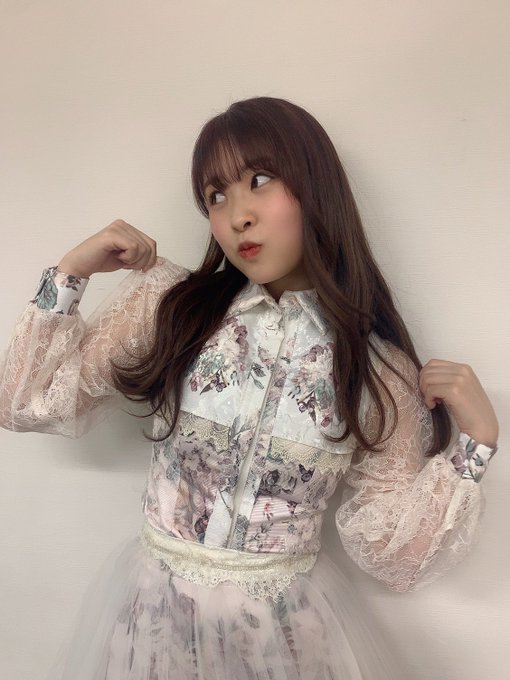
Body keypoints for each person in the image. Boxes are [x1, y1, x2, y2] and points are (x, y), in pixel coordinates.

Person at [0, 96, 499, 680]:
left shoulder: (376, 372)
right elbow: (24, 403)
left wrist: (476, 444)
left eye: (259, 180)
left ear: (315, 185)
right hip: (155, 630)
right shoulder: (172, 309)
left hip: (283, 644)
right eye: (216, 195)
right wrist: (71, 273)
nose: (237, 216)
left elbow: (396, 559)